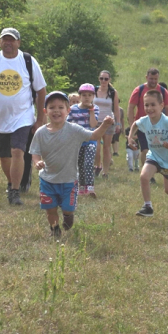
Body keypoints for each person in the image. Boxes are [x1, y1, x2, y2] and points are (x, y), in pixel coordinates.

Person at [0, 27, 46, 206]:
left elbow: (41, 90)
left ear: (18, 43)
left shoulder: (28, 61)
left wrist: (39, 120)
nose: (8, 43)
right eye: (4, 39)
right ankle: (15, 181)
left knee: (17, 151)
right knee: (4, 156)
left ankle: (14, 192)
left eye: (12, 40)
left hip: (23, 117)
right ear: (0, 42)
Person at [31, 92, 115, 238]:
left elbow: (94, 136)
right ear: (45, 111)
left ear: (68, 110)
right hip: (47, 180)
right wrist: (37, 161)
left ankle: (68, 216)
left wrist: (105, 125)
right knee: (50, 209)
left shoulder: (74, 130)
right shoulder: (40, 133)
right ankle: (55, 230)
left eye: (60, 107)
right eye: (52, 107)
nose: (56, 111)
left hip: (68, 180)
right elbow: (35, 152)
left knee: (67, 209)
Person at [128, 90, 168, 224]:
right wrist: (131, 137)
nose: (149, 108)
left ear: (161, 105)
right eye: (146, 105)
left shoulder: (167, 121)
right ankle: (148, 206)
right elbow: (135, 124)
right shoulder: (145, 121)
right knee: (144, 176)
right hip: (154, 156)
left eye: (152, 105)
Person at [127, 68, 168, 174]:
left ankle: (161, 168)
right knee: (145, 149)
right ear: (146, 77)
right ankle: (147, 173)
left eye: (155, 79)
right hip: (143, 125)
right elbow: (131, 107)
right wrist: (131, 126)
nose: (153, 81)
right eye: (151, 79)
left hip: (159, 126)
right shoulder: (139, 90)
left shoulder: (162, 91)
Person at [68, 84, 100, 198]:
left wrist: (91, 110)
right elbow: (68, 124)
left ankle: (90, 187)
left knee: (88, 163)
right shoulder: (73, 109)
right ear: (80, 96)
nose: (87, 97)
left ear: (93, 97)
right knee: (80, 165)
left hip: (90, 140)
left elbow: (93, 124)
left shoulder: (95, 108)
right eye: (84, 95)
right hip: (77, 141)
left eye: (90, 95)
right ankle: (81, 188)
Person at [94, 70, 121, 178]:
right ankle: (97, 166)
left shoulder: (113, 92)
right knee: (96, 147)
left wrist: (118, 123)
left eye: (106, 79)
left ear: (109, 80)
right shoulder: (94, 90)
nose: (103, 81)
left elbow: (116, 109)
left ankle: (105, 172)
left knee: (106, 147)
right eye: (101, 78)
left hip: (109, 121)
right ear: (99, 79)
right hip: (96, 121)